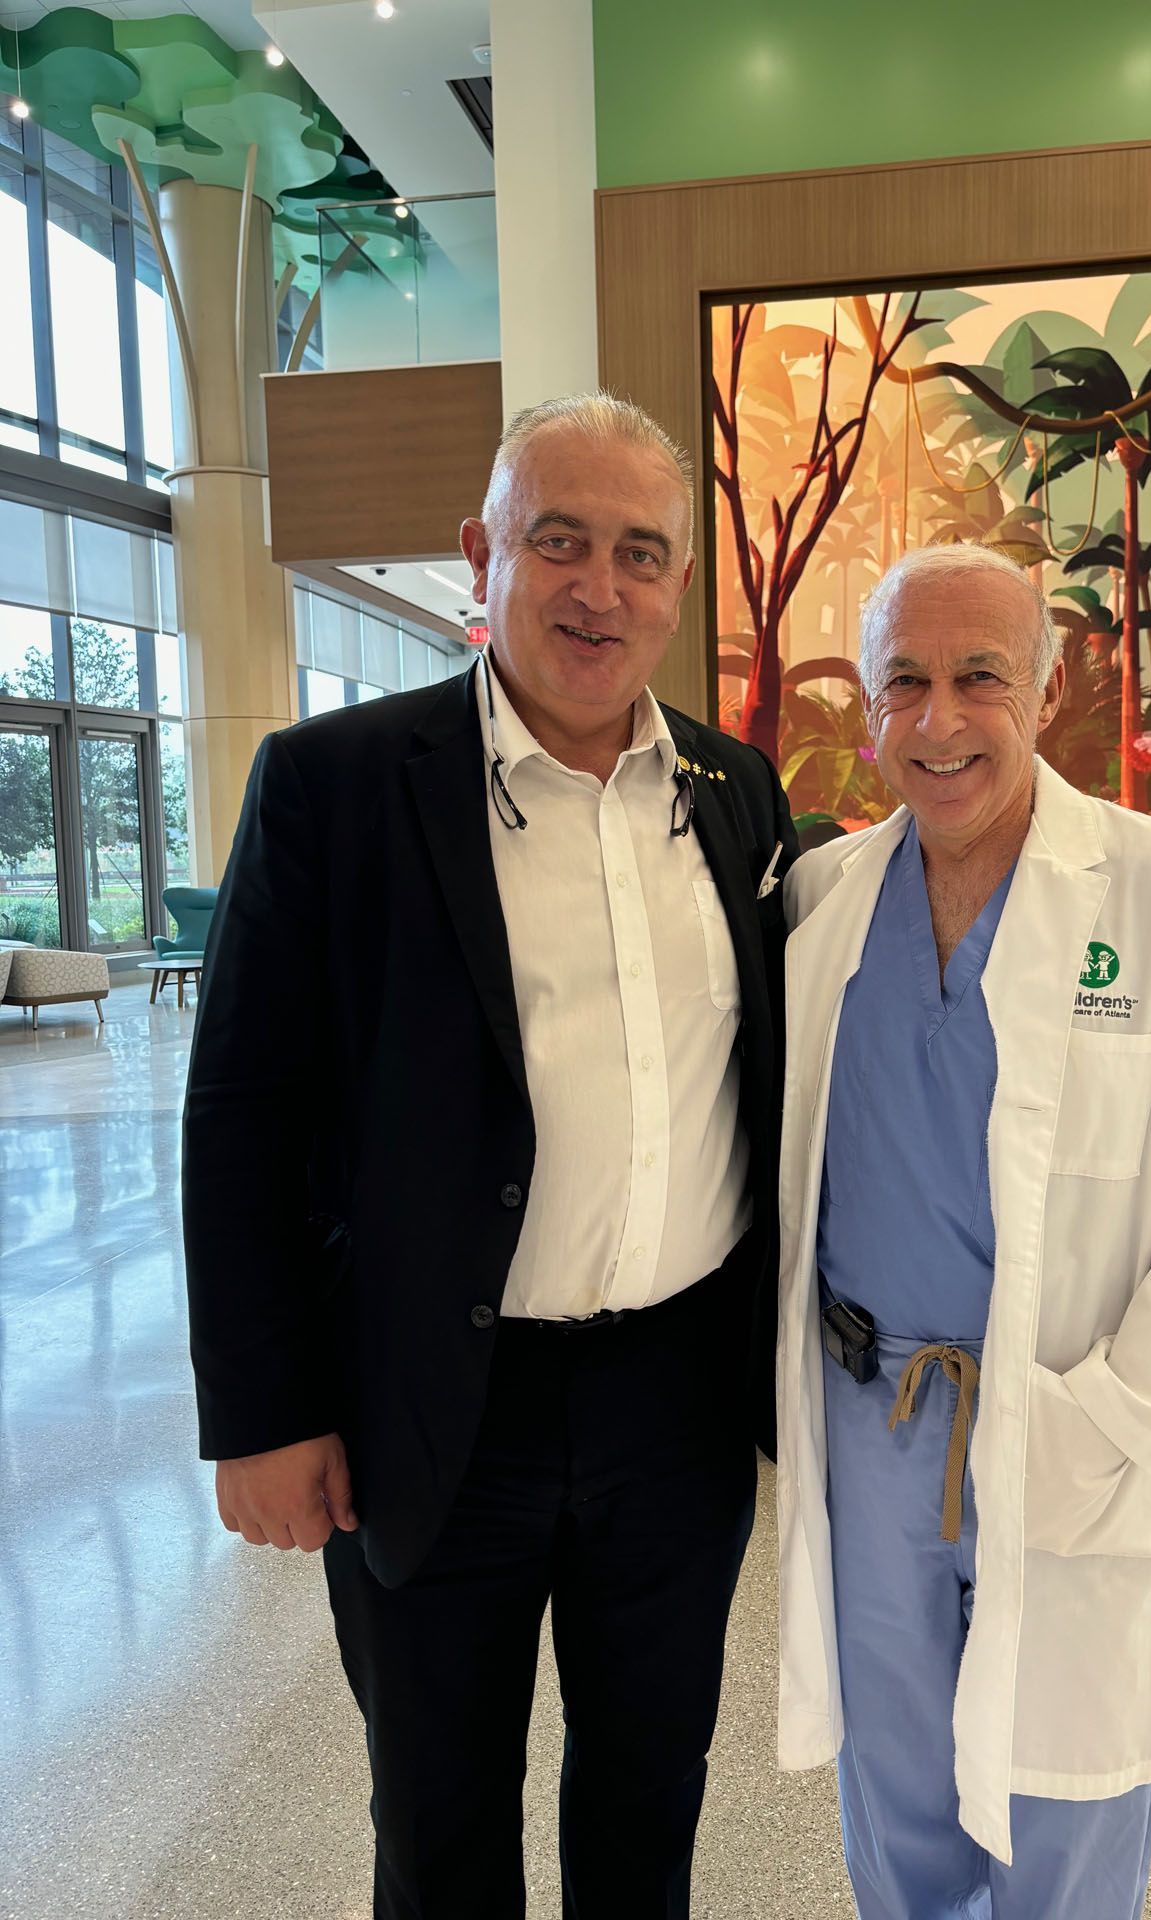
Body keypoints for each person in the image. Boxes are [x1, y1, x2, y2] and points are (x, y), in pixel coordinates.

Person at [183, 392, 797, 1918]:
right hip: (432, 1402)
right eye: (559, 540)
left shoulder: (735, 794)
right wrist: (263, 1412)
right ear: (483, 553)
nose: (600, 588)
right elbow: (243, 1111)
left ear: (678, 584)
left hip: (677, 1406)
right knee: (441, 1818)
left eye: (640, 553)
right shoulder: (335, 786)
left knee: (649, 1795)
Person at [773, 543, 1151, 1918]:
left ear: (1049, 689)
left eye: (980, 678)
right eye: (904, 682)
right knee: (898, 1781)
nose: (939, 721)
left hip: (1071, 1408)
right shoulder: (826, 902)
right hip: (871, 1422)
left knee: (1068, 1797)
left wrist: (1124, 1414)